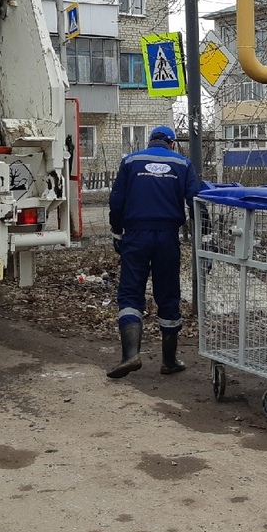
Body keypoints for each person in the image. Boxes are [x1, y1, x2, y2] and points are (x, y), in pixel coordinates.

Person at [107, 125, 202, 379]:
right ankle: (169, 361)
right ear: (171, 143)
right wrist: (204, 236)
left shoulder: (131, 161)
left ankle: (130, 355)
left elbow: (116, 201)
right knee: (168, 294)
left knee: (130, 292)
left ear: (150, 141)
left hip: (136, 235)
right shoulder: (183, 164)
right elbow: (196, 200)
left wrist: (117, 232)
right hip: (167, 237)